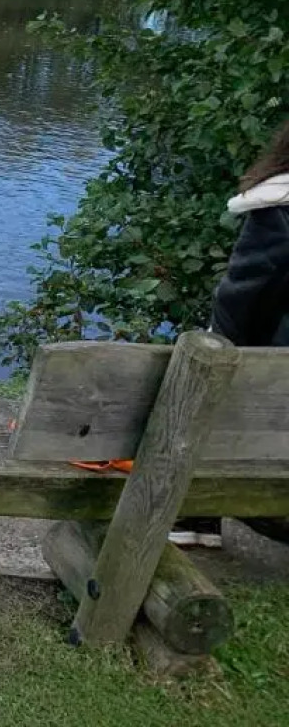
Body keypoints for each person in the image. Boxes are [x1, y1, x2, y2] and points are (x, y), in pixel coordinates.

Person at [173, 120, 289, 548]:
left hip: (273, 415)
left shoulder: (279, 209)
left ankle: (194, 516)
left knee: (211, 371)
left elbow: (238, 302)